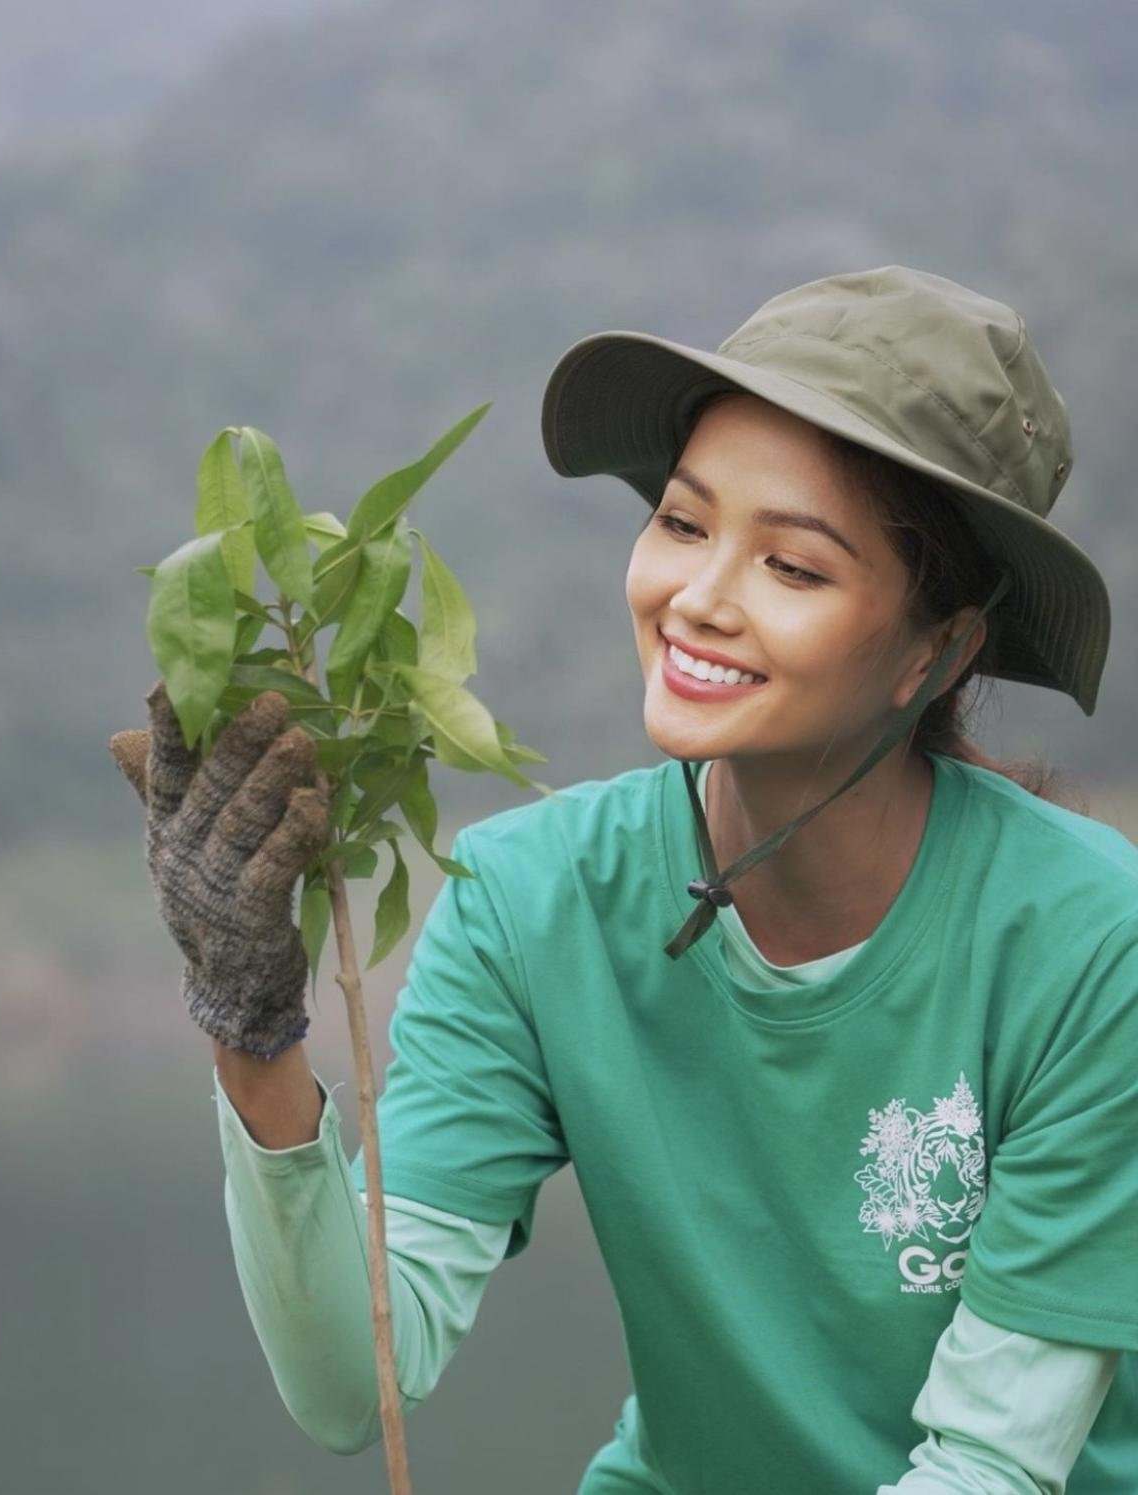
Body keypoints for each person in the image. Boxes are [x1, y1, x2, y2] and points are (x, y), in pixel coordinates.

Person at [113, 265, 1137, 1492]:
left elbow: (989, 1467)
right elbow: (350, 1383)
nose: (696, 600)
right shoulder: (531, 897)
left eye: (793, 568)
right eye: (684, 523)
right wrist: (249, 1021)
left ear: (938, 643)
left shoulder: (1089, 942)